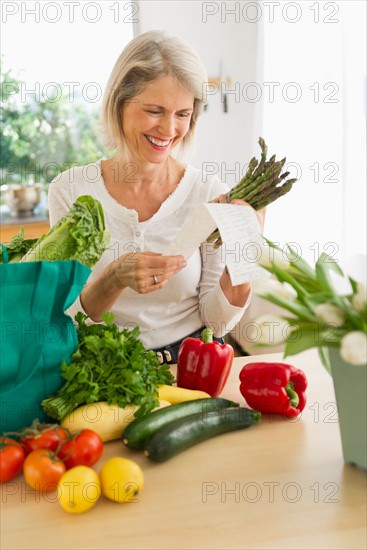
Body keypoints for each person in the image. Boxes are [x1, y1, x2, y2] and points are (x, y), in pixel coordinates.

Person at [48, 30, 265, 363]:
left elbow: (216, 321)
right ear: (119, 103)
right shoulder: (70, 191)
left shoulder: (208, 192)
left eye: (182, 114)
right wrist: (115, 277)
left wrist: (243, 259)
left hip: (191, 367)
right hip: (101, 368)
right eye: (154, 111)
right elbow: (66, 319)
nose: (169, 130)